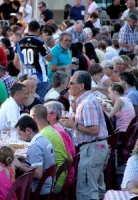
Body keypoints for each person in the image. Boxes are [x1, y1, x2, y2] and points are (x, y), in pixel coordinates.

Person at [60, 71, 109, 200]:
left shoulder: (87, 103)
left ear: (81, 86)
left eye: (71, 83)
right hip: (94, 148)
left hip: (92, 148)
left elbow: (94, 130)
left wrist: (74, 125)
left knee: (87, 191)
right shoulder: (85, 101)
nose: (68, 86)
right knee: (96, 189)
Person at [13, 115, 55, 198]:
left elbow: (37, 174)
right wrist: (25, 160)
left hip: (39, 189)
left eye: (20, 134)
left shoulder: (35, 146)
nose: (20, 138)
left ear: (28, 131)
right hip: (49, 184)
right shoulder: (43, 139)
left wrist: (19, 165)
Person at [30, 104, 69, 193]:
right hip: (59, 177)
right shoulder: (52, 130)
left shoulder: (43, 136)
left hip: (53, 183)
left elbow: (37, 173)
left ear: (33, 117)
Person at [14, 20, 52, 99]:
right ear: (38, 30)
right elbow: (50, 58)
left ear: (28, 30)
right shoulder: (40, 42)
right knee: (39, 103)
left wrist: (25, 70)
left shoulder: (19, 43)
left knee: (26, 101)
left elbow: (15, 62)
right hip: (40, 77)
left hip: (26, 77)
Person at [44, 101, 76, 187]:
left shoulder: (58, 132)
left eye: (44, 113)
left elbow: (70, 159)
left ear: (54, 116)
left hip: (62, 177)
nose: (42, 116)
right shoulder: (55, 128)